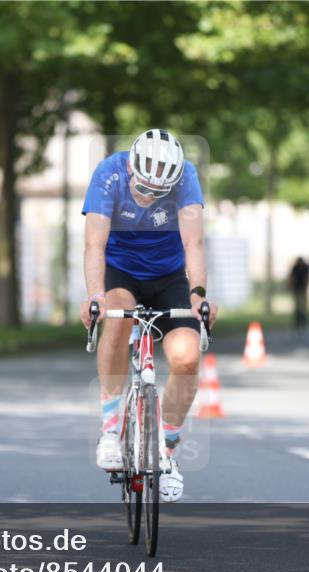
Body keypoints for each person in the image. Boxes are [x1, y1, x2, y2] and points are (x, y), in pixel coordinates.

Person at [79, 129, 218, 503]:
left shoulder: (186, 175)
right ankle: (110, 429)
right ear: (130, 169)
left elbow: (194, 242)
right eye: (143, 189)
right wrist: (95, 297)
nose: (149, 197)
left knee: (187, 357)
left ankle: (167, 451)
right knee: (118, 315)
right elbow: (94, 243)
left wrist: (199, 296)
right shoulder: (109, 173)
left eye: (159, 193)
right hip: (120, 272)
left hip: (169, 276)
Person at [288, 257, 309, 330]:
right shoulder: (295, 267)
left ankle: (303, 318)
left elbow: (307, 277)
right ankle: (297, 319)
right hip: (297, 288)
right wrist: (291, 286)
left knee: (303, 304)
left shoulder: (305, 267)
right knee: (297, 304)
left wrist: (306, 286)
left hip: (303, 288)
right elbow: (292, 278)